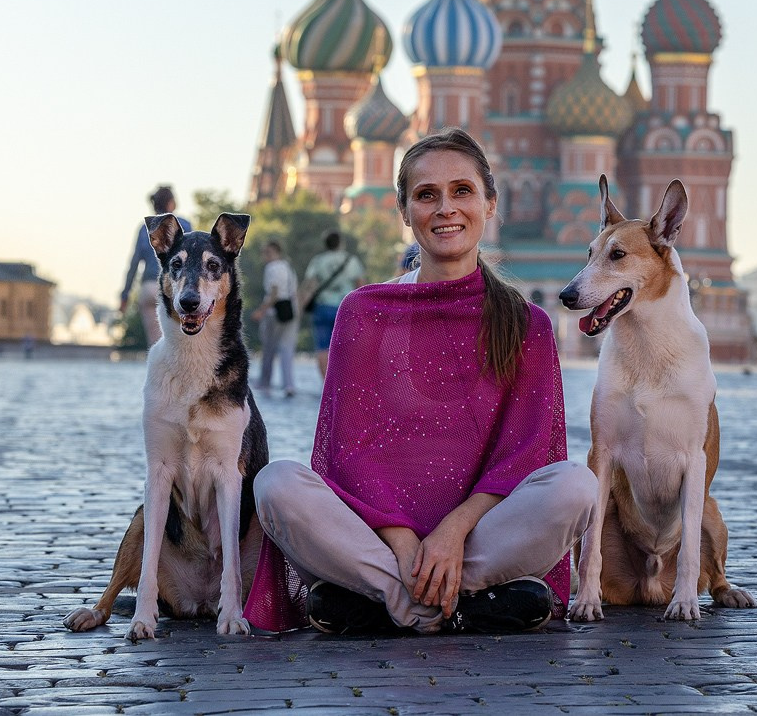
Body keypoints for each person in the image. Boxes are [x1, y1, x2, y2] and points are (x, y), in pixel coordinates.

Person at [243, 128, 597, 635]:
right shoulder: (364, 312)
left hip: (481, 534)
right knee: (276, 485)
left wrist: (454, 531)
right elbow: (351, 450)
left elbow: (528, 451)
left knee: (575, 485)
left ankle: (389, 602)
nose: (445, 208)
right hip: (380, 536)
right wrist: (406, 544)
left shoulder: (526, 324)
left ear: (490, 203)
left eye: (462, 191)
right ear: (405, 212)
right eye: (426, 195)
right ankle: (454, 605)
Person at [118, 185, 190, 349]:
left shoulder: (145, 228)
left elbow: (134, 264)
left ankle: (158, 374)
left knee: (156, 344)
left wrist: (125, 296)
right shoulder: (184, 225)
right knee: (179, 343)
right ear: (172, 203)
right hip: (174, 286)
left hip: (149, 287)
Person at [299, 231, 364, 375]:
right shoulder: (350, 260)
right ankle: (343, 380)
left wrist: (301, 306)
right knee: (346, 346)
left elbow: (309, 284)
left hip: (322, 307)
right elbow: (360, 285)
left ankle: (325, 384)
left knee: (322, 347)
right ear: (340, 242)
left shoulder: (318, 261)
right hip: (345, 307)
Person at [249, 239, 299, 396]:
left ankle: (265, 382)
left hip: (274, 313)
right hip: (290, 310)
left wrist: (261, 311)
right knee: (286, 349)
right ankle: (288, 384)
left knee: (269, 348)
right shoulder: (288, 266)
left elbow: (274, 293)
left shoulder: (272, 267)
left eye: (267, 252)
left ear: (275, 252)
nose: (265, 256)